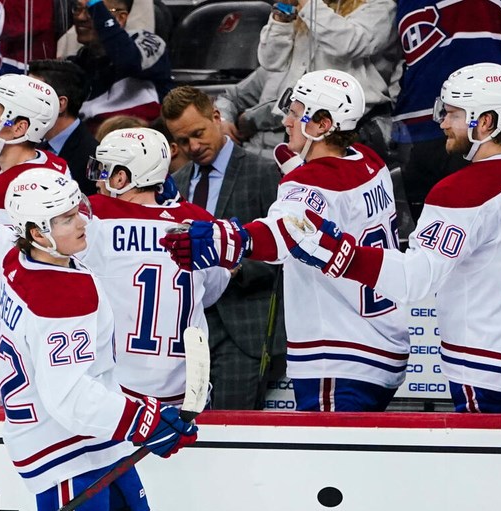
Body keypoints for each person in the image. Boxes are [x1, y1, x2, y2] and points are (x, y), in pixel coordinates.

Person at [0, 165, 198, 511]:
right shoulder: (62, 295)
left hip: (88, 439)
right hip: (66, 448)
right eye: (66, 219)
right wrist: (143, 420)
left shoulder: (19, 257)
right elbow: (69, 396)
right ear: (38, 232)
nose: (82, 222)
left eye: (77, 210)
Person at [278, 63, 501, 413]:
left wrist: (340, 254)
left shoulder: (461, 193)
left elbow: (414, 278)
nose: (442, 122)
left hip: (489, 367)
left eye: (453, 113)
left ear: (485, 122)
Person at [162, 70, 410, 412]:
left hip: (340, 355)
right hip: (383, 344)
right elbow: (333, 208)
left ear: (322, 124)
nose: (286, 121)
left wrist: (221, 239)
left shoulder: (309, 182)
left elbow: (283, 234)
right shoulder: (371, 162)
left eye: (296, 113)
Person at [78, 127, 229, 403]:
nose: (98, 180)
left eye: (104, 170)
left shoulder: (94, 216)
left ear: (121, 177)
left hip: (116, 390)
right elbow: (211, 293)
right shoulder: (200, 222)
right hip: (184, 391)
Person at [161, 86, 280, 410]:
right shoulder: (176, 183)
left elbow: (284, 250)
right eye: (183, 140)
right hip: (187, 333)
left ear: (216, 117)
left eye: (198, 133)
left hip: (242, 331)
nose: (193, 146)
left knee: (233, 430)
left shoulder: (264, 172)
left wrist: (236, 267)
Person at [0, 73, 70, 406]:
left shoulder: (12, 190)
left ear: (20, 127)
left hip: (1, 344)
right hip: (28, 341)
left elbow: (7, 277)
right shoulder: (53, 167)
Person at [215, 0, 397, 163]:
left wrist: (307, 4)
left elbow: (349, 44)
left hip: (354, 129)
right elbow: (271, 61)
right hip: (303, 125)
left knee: (343, 187)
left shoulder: (380, 6)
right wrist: (283, 13)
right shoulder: (307, 13)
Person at [392, 0, 501, 222]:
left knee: (481, 223)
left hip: (475, 125)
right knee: (424, 228)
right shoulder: (398, 5)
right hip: (413, 131)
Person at [69, 0, 173, 131]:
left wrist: (95, 5)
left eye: (90, 12)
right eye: (77, 9)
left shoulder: (147, 43)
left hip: (145, 138)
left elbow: (129, 62)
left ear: (120, 18)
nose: (80, 17)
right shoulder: (78, 62)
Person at [28, 59, 99, 195]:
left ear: (60, 104)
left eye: (32, 97)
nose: (23, 103)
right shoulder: (33, 145)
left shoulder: (92, 157)